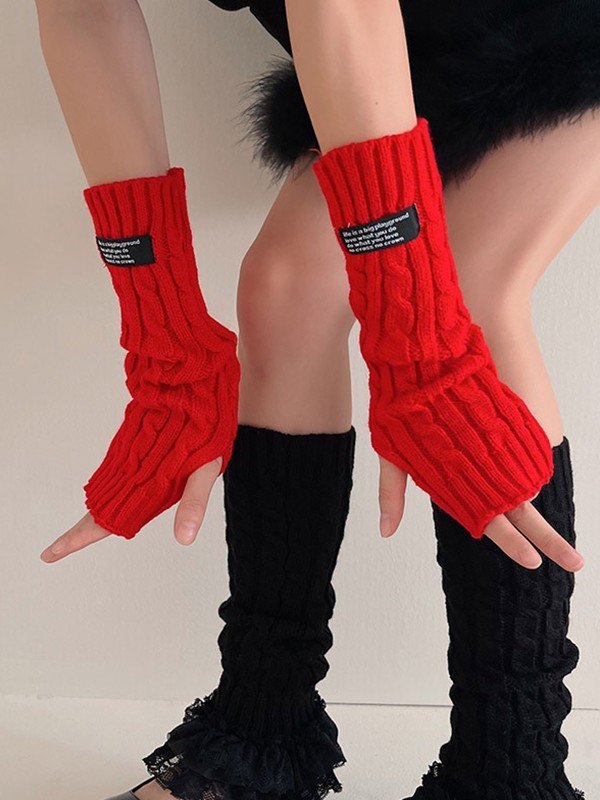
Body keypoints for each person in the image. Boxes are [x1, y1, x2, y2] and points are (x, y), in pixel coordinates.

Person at [32, 1, 600, 799]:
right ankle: (261, 735)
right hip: (392, 54)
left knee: (467, 295)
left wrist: (422, 352)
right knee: (283, 289)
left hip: (555, 29)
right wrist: (167, 351)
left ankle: (510, 772)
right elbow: (80, 13)